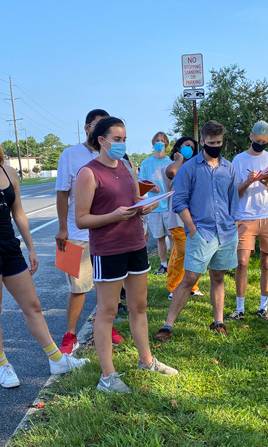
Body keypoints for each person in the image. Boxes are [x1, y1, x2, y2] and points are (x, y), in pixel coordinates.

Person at [0, 123, 87, 388]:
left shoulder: (9, 172)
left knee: (33, 305)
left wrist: (31, 247)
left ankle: (57, 359)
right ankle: (2, 364)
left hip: (10, 245)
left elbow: (19, 213)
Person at [75, 117, 178, 393]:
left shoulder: (127, 165)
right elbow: (82, 219)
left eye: (124, 139)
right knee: (107, 312)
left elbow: (133, 201)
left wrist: (141, 207)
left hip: (134, 244)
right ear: (101, 140)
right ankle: (108, 377)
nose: (121, 144)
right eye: (117, 139)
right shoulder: (88, 172)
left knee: (139, 307)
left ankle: (147, 360)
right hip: (107, 249)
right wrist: (113, 216)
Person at [154, 120, 239, 342]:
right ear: (202, 141)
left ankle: (218, 321)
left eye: (219, 142)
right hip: (201, 232)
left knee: (218, 276)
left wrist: (234, 224)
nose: (215, 146)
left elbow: (233, 200)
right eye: (211, 142)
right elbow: (179, 202)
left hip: (226, 232)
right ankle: (168, 325)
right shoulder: (188, 169)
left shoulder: (229, 168)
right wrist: (192, 229)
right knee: (190, 277)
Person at [54, 109, 124, 354]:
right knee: (78, 287)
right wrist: (62, 227)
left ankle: (106, 326)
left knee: (109, 286)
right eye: (97, 125)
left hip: (109, 235)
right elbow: (62, 192)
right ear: (87, 128)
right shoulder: (70, 154)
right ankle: (70, 335)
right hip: (76, 234)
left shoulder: (114, 156)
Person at [226, 121, 268, 322]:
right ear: (250, 136)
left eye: (265, 141)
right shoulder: (239, 160)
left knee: (267, 262)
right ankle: (239, 308)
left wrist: (267, 182)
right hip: (246, 217)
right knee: (241, 262)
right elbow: (234, 193)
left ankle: (263, 307)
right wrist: (248, 181)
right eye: (258, 140)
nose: (261, 143)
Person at [161, 137, 201, 300]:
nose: (189, 149)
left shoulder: (195, 168)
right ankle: (175, 287)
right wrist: (179, 159)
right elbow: (173, 173)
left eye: (192, 147)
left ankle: (192, 285)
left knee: (190, 253)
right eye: (186, 146)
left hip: (195, 218)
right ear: (177, 147)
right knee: (182, 252)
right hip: (177, 219)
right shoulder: (168, 166)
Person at [139, 131, 172, 274]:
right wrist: (151, 187)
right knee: (160, 238)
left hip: (169, 205)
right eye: (157, 140)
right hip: (154, 206)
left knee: (173, 237)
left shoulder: (171, 163)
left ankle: (174, 263)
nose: (160, 143)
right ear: (153, 143)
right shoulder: (146, 163)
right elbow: (140, 182)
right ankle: (163, 264)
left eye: (162, 140)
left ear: (166, 144)